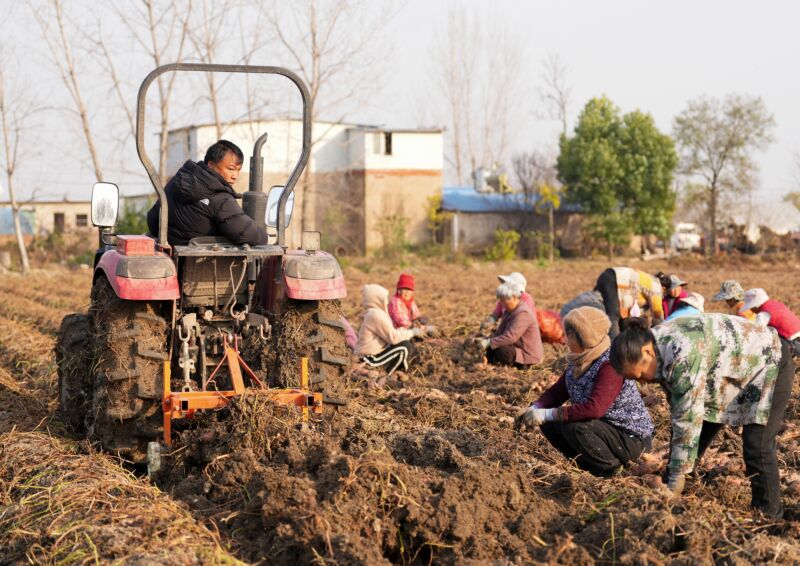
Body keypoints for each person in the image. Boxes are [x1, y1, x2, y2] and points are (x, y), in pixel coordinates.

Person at [610, 315, 794, 519]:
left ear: (647, 351)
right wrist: (675, 472)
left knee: (756, 445)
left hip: (769, 362)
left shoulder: (681, 352)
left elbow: (687, 417)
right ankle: (678, 482)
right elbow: (681, 413)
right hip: (729, 373)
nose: (643, 383)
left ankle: (768, 515)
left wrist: (676, 478)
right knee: (699, 426)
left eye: (640, 375)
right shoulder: (658, 346)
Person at [516, 307, 654, 476]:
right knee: (550, 421)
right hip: (601, 430)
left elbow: (594, 409)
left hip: (631, 439)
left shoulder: (610, 365)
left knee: (576, 427)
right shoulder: (579, 362)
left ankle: (613, 470)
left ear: (585, 338)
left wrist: (548, 414)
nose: (566, 340)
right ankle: (588, 465)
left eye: (570, 335)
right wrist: (535, 408)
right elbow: (557, 393)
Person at [146, 140, 267, 246]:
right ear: (210, 164)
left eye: (238, 170)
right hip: (202, 261)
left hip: (171, 257)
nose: (235, 176)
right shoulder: (220, 198)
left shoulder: (176, 183)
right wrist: (264, 237)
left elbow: (153, 220)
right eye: (231, 169)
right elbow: (245, 233)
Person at [354, 284, 436, 375]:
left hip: (376, 353)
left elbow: (392, 332)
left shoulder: (378, 313)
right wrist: (412, 332)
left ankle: (400, 371)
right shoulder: (375, 315)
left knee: (405, 343)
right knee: (404, 347)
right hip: (369, 358)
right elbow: (393, 337)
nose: (387, 302)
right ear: (377, 299)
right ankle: (390, 374)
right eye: (385, 299)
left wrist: (407, 331)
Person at [477, 282, 543, 368]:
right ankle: (487, 362)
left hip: (527, 354)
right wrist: (486, 339)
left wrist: (489, 342)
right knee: (494, 342)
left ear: (514, 298)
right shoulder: (509, 311)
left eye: (503, 300)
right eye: (500, 300)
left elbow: (510, 337)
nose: (501, 303)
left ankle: (513, 365)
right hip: (515, 348)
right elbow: (500, 332)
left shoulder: (523, 313)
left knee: (501, 350)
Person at [595, 267, 664, 338]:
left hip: (606, 276)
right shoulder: (656, 285)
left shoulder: (648, 279)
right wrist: (660, 331)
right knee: (614, 315)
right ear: (664, 288)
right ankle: (615, 342)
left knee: (618, 316)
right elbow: (657, 312)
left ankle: (619, 339)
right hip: (614, 279)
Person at [742, 288, 800, 353]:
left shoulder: (763, 314)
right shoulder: (775, 304)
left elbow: (758, 332)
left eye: (751, 308)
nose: (751, 311)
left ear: (755, 306)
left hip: (793, 341)